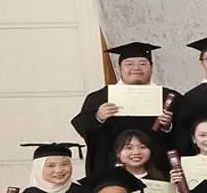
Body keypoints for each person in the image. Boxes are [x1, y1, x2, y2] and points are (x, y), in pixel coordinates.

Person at [72, 42, 178, 177]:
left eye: (142, 64)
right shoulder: (100, 97)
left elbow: (185, 135)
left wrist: (168, 126)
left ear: (151, 67)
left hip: (158, 167)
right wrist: (98, 117)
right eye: (129, 64)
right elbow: (83, 127)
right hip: (110, 168)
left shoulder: (168, 97)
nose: (136, 68)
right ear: (119, 68)